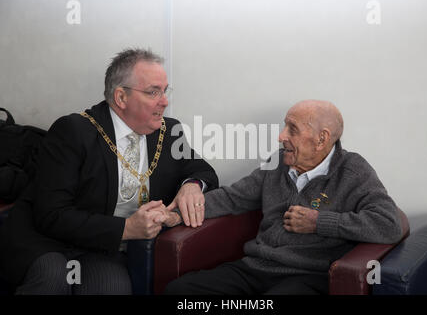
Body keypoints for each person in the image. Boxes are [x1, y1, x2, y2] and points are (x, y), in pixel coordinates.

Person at [0, 48, 218, 294]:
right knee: (54, 278)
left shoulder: (169, 132)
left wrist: (192, 185)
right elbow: (51, 215)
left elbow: (202, 170)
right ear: (121, 97)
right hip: (47, 241)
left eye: (164, 91)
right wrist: (126, 229)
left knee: (112, 288)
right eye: (153, 92)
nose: (164, 101)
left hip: (102, 249)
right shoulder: (73, 131)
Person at [164, 99, 403, 295]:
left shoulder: (353, 171)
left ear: (322, 138)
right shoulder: (278, 162)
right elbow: (232, 197)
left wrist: (319, 222)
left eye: (292, 129)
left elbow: (389, 224)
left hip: (308, 276)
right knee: (180, 291)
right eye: (284, 126)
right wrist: (174, 214)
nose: (281, 136)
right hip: (255, 268)